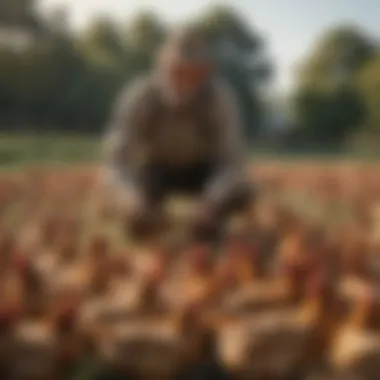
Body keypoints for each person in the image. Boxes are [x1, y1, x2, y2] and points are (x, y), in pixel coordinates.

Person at [103, 25, 253, 244]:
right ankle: (150, 215)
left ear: (203, 72)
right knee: (138, 224)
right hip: (156, 170)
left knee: (242, 191)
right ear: (161, 65)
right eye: (177, 69)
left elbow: (232, 161)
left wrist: (212, 200)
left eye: (193, 72)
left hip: (204, 170)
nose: (184, 79)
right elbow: (116, 162)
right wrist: (132, 199)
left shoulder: (219, 98)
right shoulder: (140, 98)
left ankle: (211, 223)